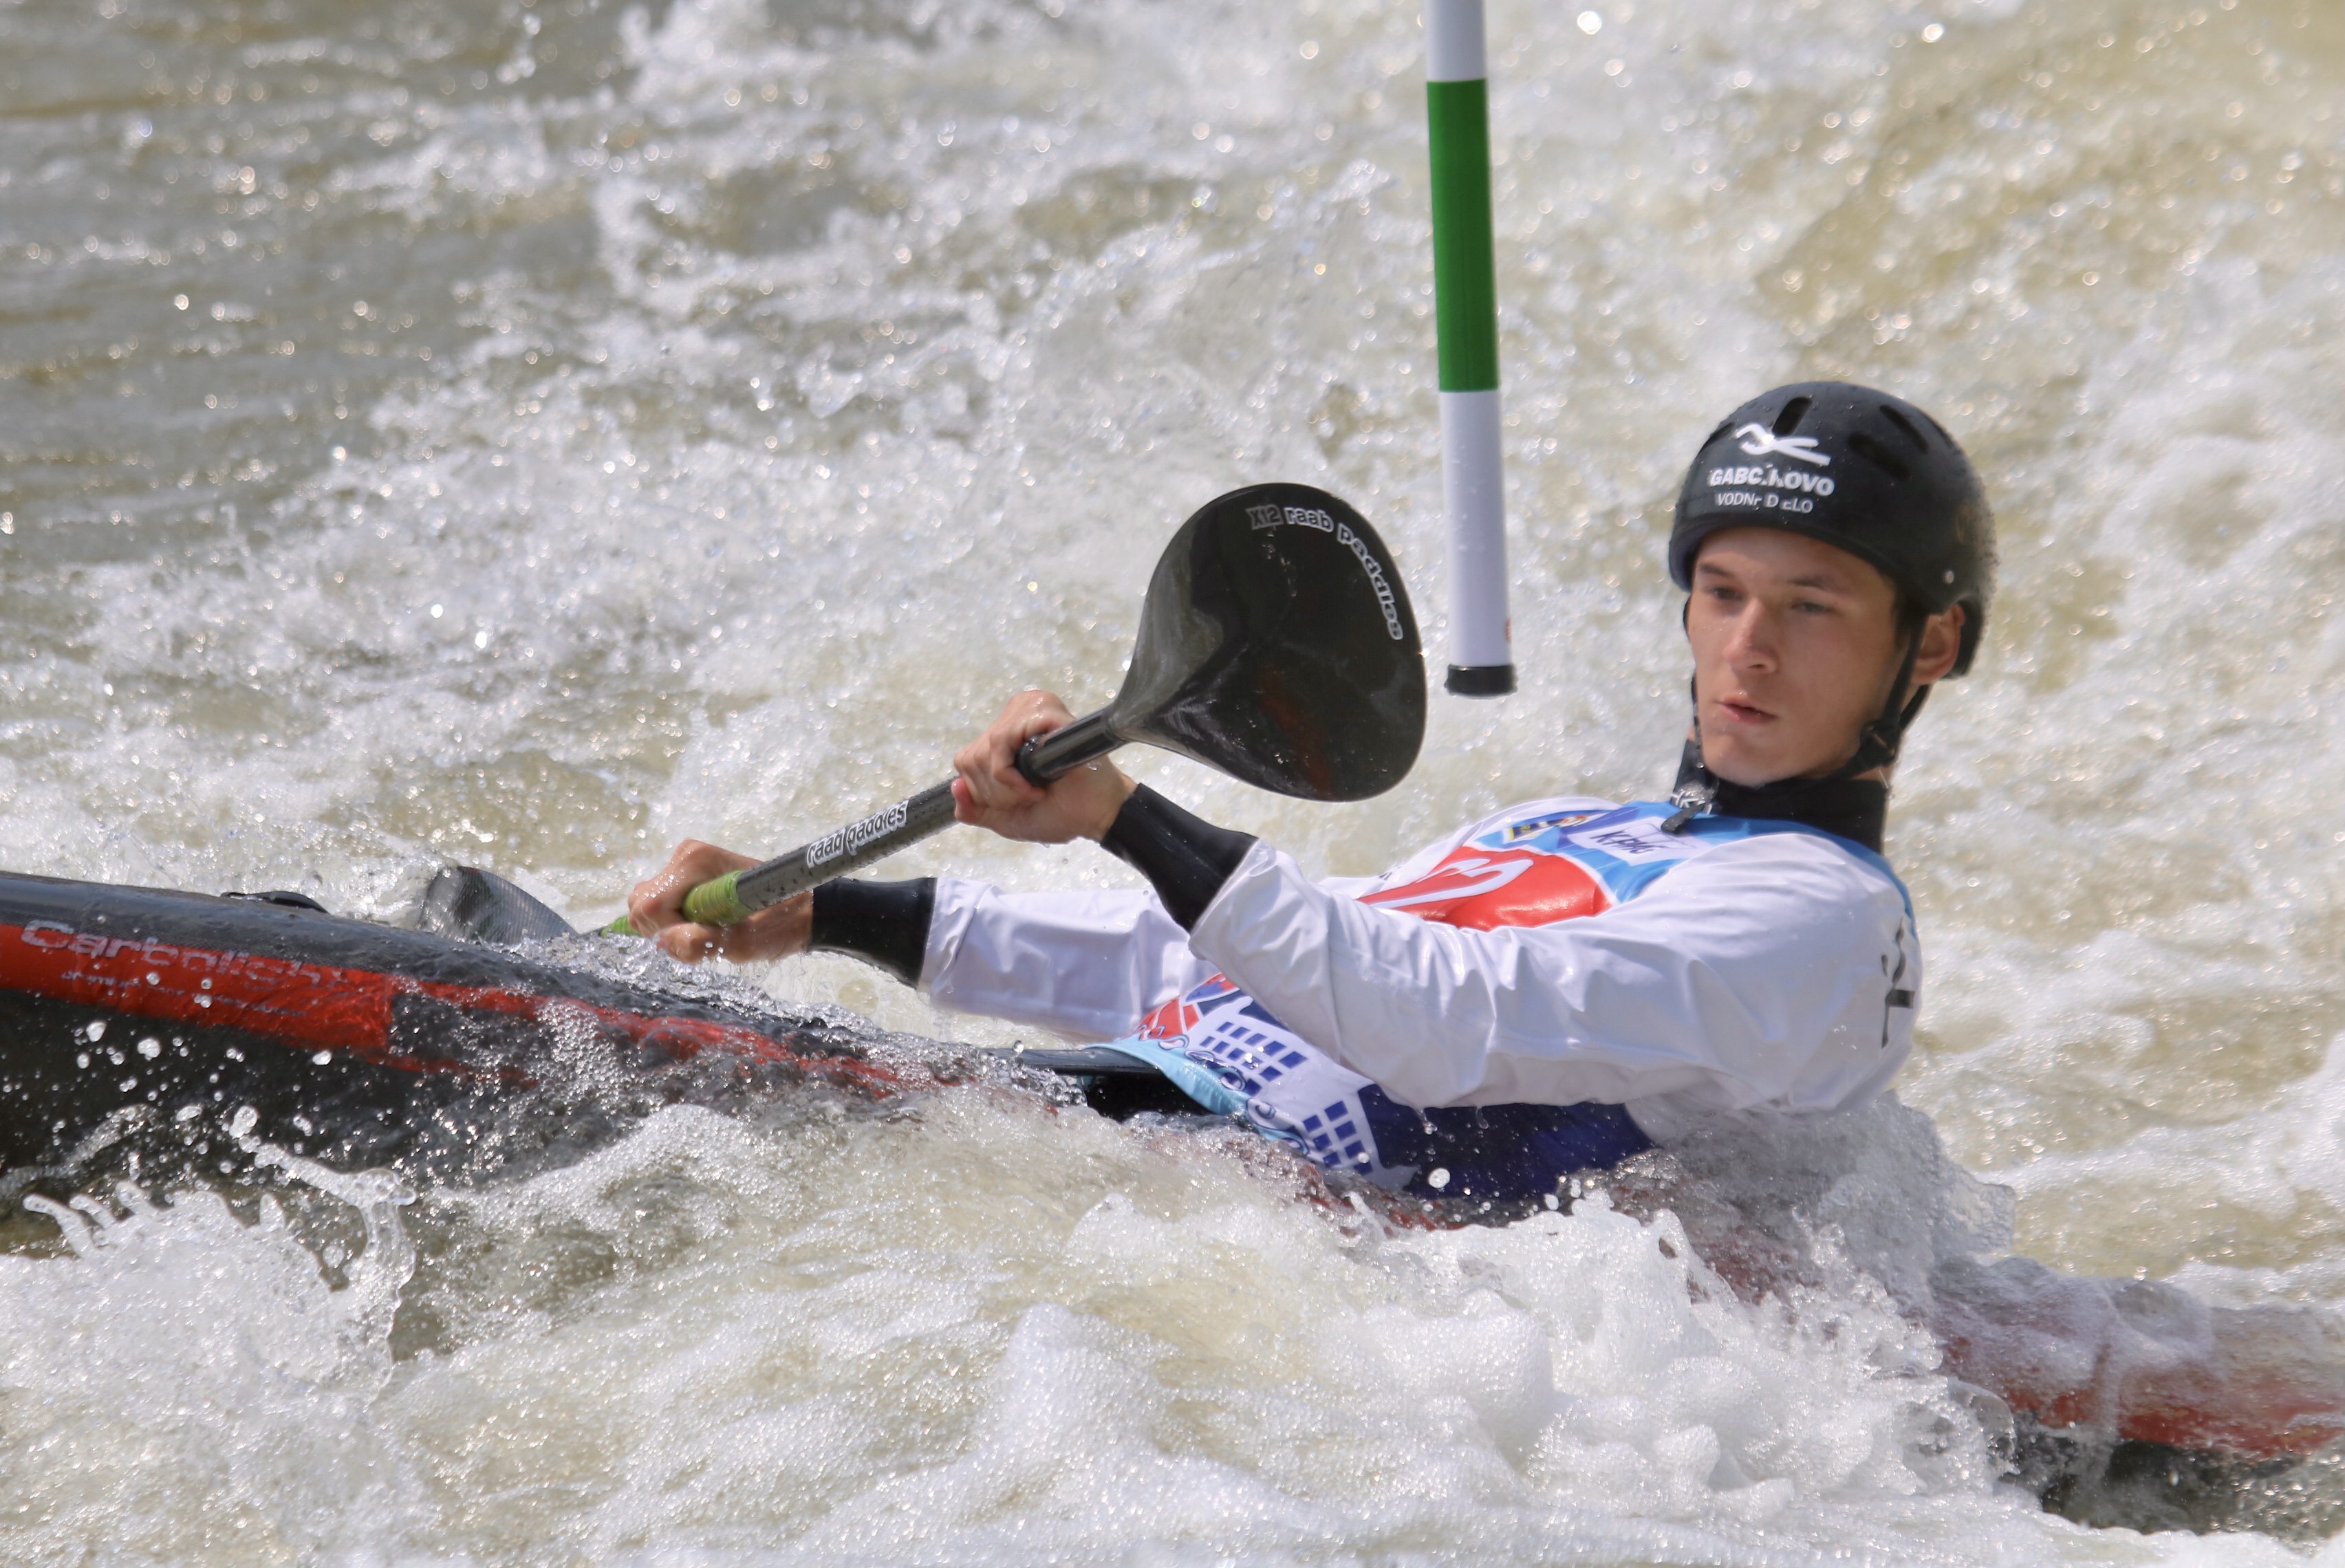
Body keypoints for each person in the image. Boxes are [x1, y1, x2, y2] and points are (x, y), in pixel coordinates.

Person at [628, 382, 1995, 1204]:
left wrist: (1123, 817)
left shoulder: (1821, 921)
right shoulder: (1572, 827)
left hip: (1244, 1195)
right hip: (1123, 1113)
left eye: (1810, 606)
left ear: (1928, 645)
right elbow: (1207, 968)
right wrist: (831, 916)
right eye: (1723, 591)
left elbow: (1435, 1025)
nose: (1747, 648)